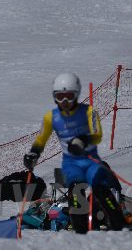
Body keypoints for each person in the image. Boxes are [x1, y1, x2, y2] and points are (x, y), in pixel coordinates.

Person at [23, 72, 125, 233]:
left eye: (69, 96)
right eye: (60, 96)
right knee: (76, 196)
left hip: (90, 161)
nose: (64, 101)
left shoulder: (89, 112)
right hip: (72, 164)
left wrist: (82, 140)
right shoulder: (51, 117)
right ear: (55, 96)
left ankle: (119, 226)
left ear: (76, 94)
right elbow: (41, 139)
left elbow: (97, 134)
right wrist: (33, 153)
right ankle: (80, 233)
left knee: (101, 190)